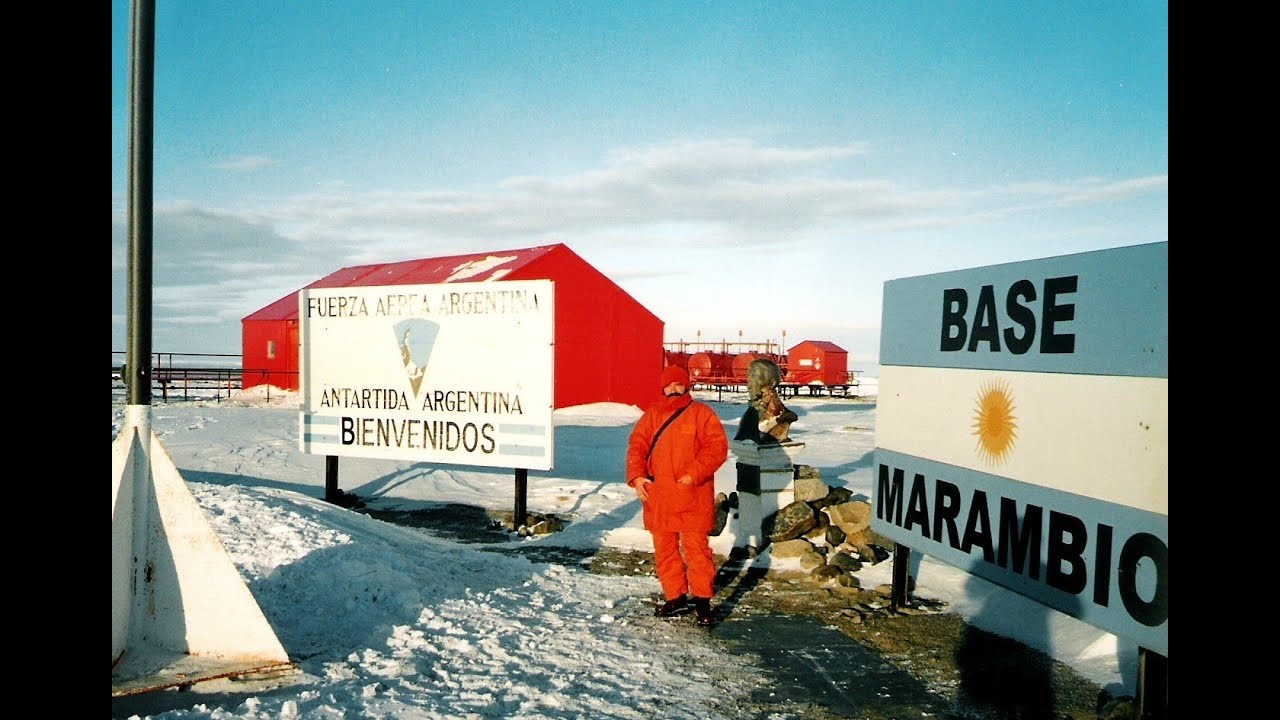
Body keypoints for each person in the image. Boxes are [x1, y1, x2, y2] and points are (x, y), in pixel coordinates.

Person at [625, 365, 729, 626]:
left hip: (692, 494)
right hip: (659, 495)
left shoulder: (702, 414)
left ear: (687, 386)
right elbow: (637, 446)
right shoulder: (651, 416)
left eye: (678, 384)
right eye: (668, 385)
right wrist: (637, 476)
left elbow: (716, 447)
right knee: (665, 551)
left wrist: (694, 473)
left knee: (697, 551)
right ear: (662, 388)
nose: (673, 389)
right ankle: (675, 597)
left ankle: (703, 601)